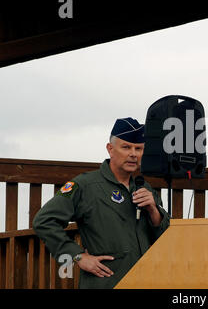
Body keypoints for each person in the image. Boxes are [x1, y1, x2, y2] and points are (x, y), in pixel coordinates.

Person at [33, 117, 170, 289]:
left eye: (138, 148)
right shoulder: (86, 186)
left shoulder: (145, 189)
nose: (133, 154)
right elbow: (44, 222)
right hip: (105, 282)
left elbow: (165, 238)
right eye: (126, 147)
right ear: (110, 149)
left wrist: (153, 210)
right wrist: (78, 256)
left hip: (145, 281)